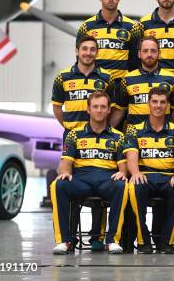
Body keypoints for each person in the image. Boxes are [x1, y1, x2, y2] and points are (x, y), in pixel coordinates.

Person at [51, 34, 116, 251]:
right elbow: (57, 108)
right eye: (84, 49)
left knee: (101, 180)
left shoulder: (107, 78)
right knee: (71, 180)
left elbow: (113, 108)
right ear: (77, 51)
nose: (88, 53)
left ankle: (97, 237)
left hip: (102, 136)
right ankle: (69, 238)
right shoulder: (63, 77)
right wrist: (71, 128)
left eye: (92, 49)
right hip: (74, 138)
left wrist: (109, 130)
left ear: (97, 52)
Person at [50, 91, 128, 255]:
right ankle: (64, 241)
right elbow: (66, 163)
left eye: (103, 107)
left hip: (107, 179)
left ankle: (112, 240)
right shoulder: (74, 134)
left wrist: (123, 173)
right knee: (58, 184)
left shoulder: (119, 137)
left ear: (108, 111)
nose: (99, 110)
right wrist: (64, 173)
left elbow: (123, 166)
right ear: (88, 109)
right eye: (95, 106)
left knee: (123, 185)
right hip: (81, 180)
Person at [123, 87, 174, 254]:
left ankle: (166, 241)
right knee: (134, 186)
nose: (158, 106)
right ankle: (143, 240)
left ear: (167, 105)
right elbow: (131, 157)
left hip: (169, 177)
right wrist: (136, 173)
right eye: (154, 102)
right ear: (148, 103)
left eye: (162, 102)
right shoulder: (133, 129)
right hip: (145, 176)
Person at [111, 36, 174, 127]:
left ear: (159, 53)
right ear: (139, 54)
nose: (149, 54)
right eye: (145, 51)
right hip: (135, 137)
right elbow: (119, 111)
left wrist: (170, 132)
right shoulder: (127, 79)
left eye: (153, 51)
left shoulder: (172, 79)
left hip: (163, 137)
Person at [77, 0, 139, 79]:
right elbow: (80, 59)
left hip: (120, 86)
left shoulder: (132, 27)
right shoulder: (86, 26)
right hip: (94, 84)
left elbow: (135, 61)